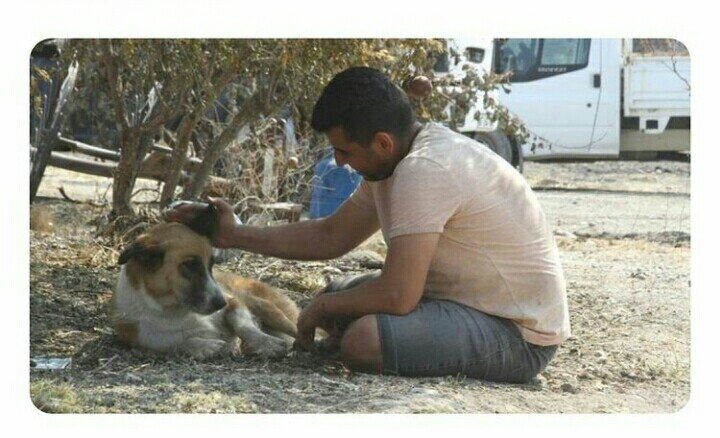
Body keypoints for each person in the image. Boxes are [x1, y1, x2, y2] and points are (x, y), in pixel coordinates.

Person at [164, 66, 570, 383]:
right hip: (463, 304)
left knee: (362, 339)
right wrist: (233, 234)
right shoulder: (391, 164)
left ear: (382, 143)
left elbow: (398, 296)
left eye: (344, 150)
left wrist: (323, 308)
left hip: (516, 335)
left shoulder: (423, 171)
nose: (339, 161)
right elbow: (329, 235)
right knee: (339, 301)